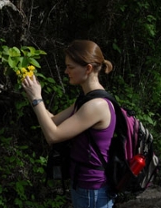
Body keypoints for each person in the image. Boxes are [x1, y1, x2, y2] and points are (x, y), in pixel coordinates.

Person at [22, 40, 115, 208]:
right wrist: (34, 96)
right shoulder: (86, 100)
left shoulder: (96, 105)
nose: (66, 71)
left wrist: (37, 99)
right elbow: (53, 121)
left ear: (87, 69)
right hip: (84, 186)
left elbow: (53, 135)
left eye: (70, 67)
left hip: (92, 190)